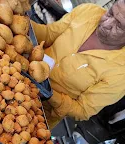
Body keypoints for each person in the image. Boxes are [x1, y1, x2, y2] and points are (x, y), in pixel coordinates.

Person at [32, 1, 125, 129]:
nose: (106, 23)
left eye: (119, 26)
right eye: (110, 13)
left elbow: (82, 109)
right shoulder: (89, 11)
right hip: (22, 70)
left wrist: (49, 94)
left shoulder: (120, 74)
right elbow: (48, 34)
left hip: (39, 112)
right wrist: (23, 21)